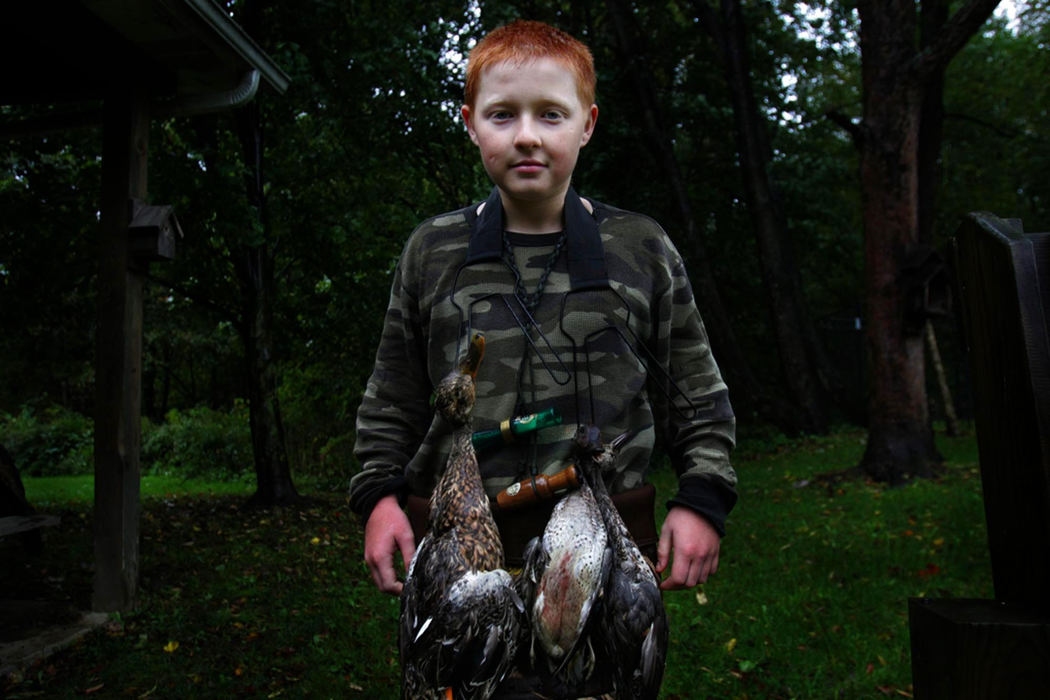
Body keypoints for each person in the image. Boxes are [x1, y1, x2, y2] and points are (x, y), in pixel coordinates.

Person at [350, 18, 737, 688]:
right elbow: (393, 394)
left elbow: (696, 393)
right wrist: (379, 497)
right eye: (502, 114)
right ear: (471, 123)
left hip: (605, 557)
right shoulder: (431, 252)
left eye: (550, 114)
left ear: (586, 125)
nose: (526, 134)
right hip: (459, 558)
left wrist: (702, 498)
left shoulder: (641, 248)